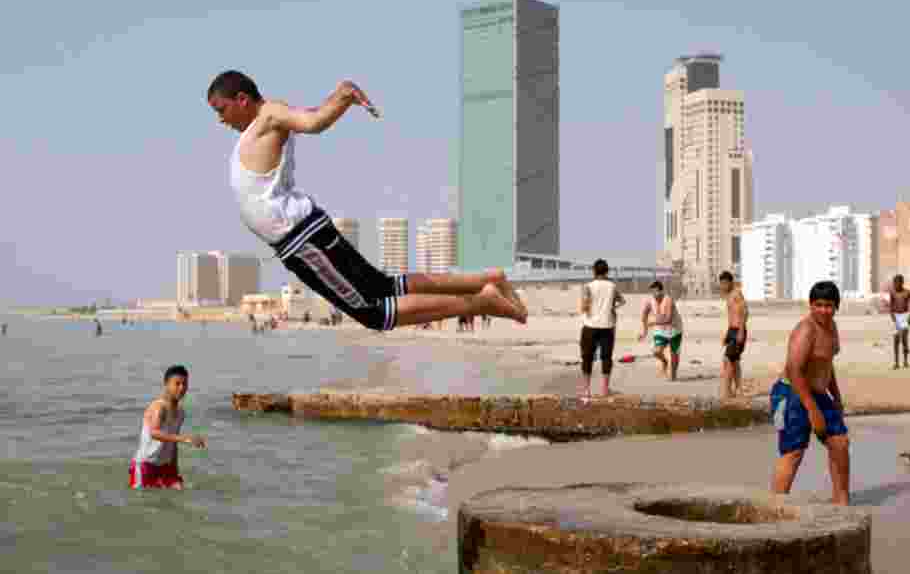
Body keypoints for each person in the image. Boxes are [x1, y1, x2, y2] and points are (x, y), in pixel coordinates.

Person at [207, 71, 527, 331]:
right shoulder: (255, 129)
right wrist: (340, 95)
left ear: (242, 99)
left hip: (301, 239)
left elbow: (312, 121)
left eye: (221, 110)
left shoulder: (269, 115)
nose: (220, 119)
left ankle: (481, 302)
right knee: (382, 287)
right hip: (303, 233)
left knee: (375, 314)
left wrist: (343, 98)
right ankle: (488, 280)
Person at [769, 281, 850, 506]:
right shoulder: (806, 330)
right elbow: (794, 370)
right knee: (794, 452)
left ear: (837, 307)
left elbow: (826, 364)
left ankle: (841, 502)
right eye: (819, 305)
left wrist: (837, 397)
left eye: (829, 305)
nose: (824, 310)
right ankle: (774, 508)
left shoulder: (832, 328)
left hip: (818, 393)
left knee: (840, 443)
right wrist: (812, 411)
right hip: (791, 393)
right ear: (811, 305)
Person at [130, 365, 207, 490]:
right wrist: (185, 439)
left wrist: (175, 470)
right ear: (166, 384)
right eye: (177, 384)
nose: (181, 388)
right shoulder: (159, 407)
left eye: (184, 384)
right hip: (145, 465)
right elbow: (154, 433)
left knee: (179, 492)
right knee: (143, 503)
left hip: (166, 466)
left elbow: (172, 444)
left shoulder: (181, 412)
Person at [578, 259, 626, 398]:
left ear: (594, 271)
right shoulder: (612, 286)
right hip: (607, 326)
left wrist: (586, 308)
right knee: (606, 358)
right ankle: (605, 389)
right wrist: (611, 307)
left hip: (590, 326)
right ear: (607, 271)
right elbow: (622, 301)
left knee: (587, 357)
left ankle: (586, 390)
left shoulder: (588, 286)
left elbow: (584, 307)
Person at [638, 281, 683, 380]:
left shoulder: (668, 300)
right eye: (652, 292)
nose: (654, 294)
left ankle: (673, 375)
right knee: (656, 351)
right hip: (661, 331)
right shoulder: (650, 301)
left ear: (661, 291)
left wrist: (653, 323)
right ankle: (664, 362)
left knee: (674, 355)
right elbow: (644, 315)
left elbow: (668, 319)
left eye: (656, 292)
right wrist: (644, 332)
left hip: (675, 330)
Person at [718, 271, 748, 398]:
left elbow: (744, 312)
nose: (723, 286)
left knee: (728, 360)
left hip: (738, 330)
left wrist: (741, 331)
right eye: (722, 283)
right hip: (732, 330)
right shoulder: (729, 295)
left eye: (725, 283)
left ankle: (727, 391)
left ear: (731, 282)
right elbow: (732, 316)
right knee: (734, 361)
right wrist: (727, 334)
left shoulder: (736, 294)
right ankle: (739, 389)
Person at [889, 274, 910, 369]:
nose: (895, 285)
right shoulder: (892, 293)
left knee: (904, 339)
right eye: (894, 283)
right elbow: (891, 307)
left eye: (897, 283)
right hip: (896, 317)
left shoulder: (907, 293)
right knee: (896, 339)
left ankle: (905, 361)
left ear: (901, 283)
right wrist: (893, 317)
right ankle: (896, 363)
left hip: (905, 316)